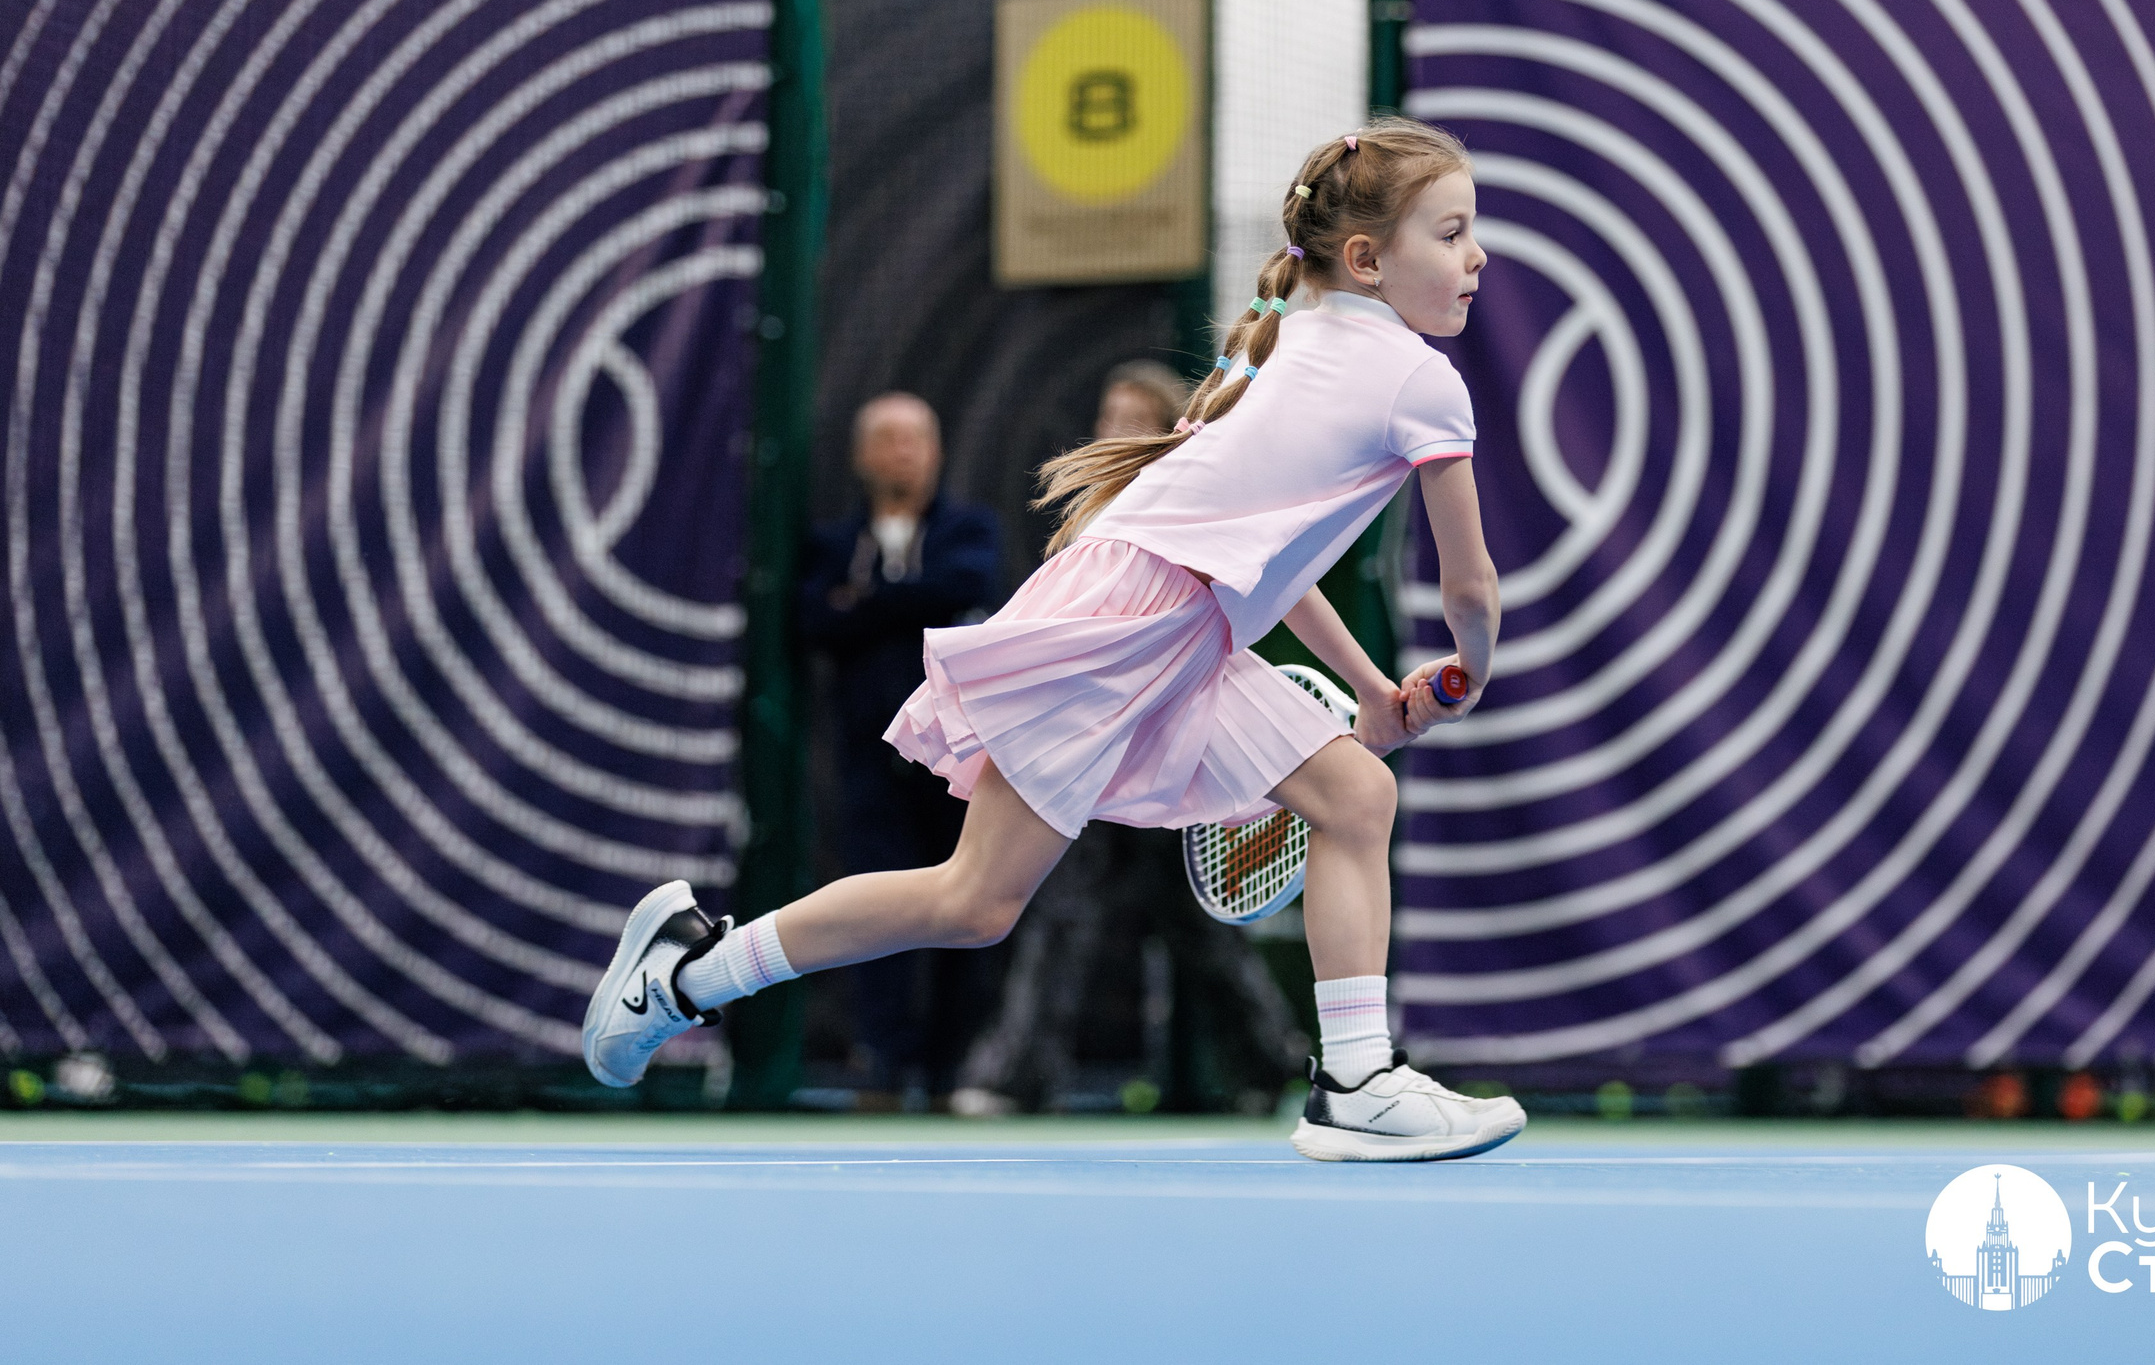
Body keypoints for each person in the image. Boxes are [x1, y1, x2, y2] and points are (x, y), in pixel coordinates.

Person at [587, 118, 1519, 1162]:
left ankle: (1355, 1082)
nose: (1475, 256)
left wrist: (1374, 689)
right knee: (974, 899)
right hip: (1130, 621)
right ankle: (688, 973)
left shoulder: (1286, 344)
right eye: (1450, 233)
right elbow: (1469, 586)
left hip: (1182, 620)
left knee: (1355, 795)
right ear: (1366, 259)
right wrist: (1470, 670)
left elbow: (1269, 561)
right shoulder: (1417, 381)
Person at [948, 357, 1307, 1117]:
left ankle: (1270, 1068)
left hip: (1176, 746)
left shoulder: (1194, 507)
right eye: (1108, 417)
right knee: (1059, 911)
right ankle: (1016, 1078)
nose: (1115, 431)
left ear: (1169, 430)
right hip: (1093, 748)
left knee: (1199, 925)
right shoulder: (1090, 517)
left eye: (1133, 419)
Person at [795, 392, 1002, 1101]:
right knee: (874, 908)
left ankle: (947, 1073)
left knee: (965, 910)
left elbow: (969, 588)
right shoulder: (832, 544)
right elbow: (814, 617)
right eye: (886, 438)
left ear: (936, 451)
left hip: (957, 763)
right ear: (861, 456)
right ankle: (881, 1064)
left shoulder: (970, 529)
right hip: (866, 764)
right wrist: (911, 601)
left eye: (914, 438)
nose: (901, 452)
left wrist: (868, 600)